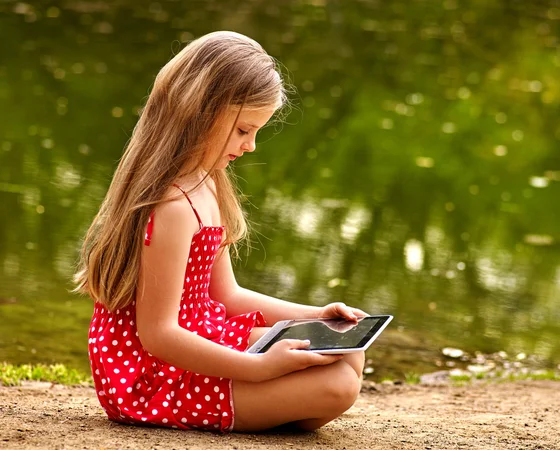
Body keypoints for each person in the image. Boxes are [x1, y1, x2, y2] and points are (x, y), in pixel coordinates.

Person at [74, 30, 366, 433]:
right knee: (336, 385)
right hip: (153, 376)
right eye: (244, 130)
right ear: (200, 112)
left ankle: (262, 406)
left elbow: (226, 296)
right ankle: (258, 405)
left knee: (346, 352)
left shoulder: (206, 181)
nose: (251, 146)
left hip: (203, 338)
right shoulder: (172, 206)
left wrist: (317, 316)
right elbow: (158, 335)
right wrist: (258, 368)